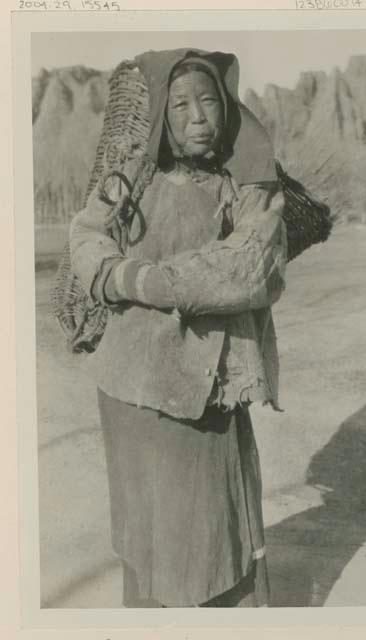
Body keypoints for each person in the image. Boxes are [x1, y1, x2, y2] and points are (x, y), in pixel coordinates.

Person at [69, 48, 287, 608]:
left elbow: (248, 267)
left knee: (209, 528)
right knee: (145, 528)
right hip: (128, 388)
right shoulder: (132, 181)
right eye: (182, 103)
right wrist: (113, 271)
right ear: (163, 115)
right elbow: (87, 234)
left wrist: (144, 282)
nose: (197, 116)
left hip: (200, 391)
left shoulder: (249, 187)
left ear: (226, 109)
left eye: (209, 101)